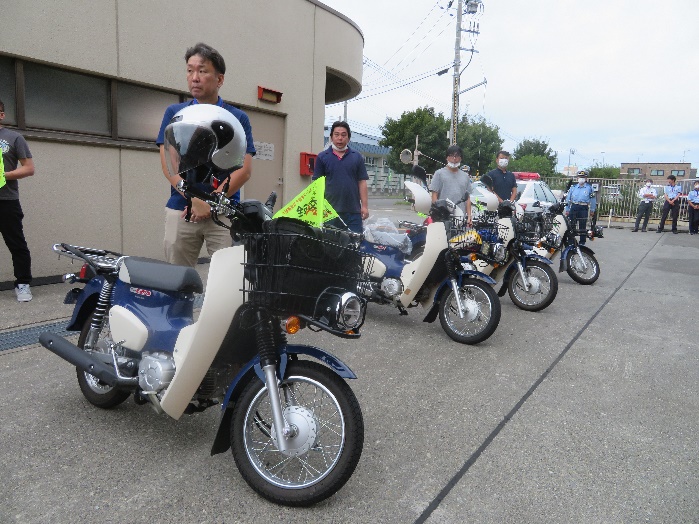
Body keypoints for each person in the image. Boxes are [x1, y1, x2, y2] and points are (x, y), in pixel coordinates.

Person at [156, 42, 256, 267]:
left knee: (227, 280)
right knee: (177, 279)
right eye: (190, 70)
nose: (194, 77)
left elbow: (245, 169)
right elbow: (169, 164)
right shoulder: (174, 113)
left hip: (223, 211)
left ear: (219, 79)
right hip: (181, 207)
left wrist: (210, 203)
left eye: (202, 71)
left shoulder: (237, 117)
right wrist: (193, 199)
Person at [0, 99, 35, 302]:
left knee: (16, 244)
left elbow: (29, 168)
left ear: (2, 115)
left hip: (7, 200)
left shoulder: (14, 138)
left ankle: (23, 284)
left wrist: (4, 175)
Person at [313, 121, 369, 234]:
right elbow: (317, 185)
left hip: (353, 211)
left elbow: (362, 182)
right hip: (329, 212)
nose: (340, 138)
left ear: (348, 138)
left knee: (354, 245)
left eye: (343, 135)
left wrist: (365, 206)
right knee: (331, 245)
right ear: (331, 137)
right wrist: (317, 208)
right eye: (336, 134)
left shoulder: (357, 157)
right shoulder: (322, 157)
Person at [428, 145, 472, 224]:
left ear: (461, 158)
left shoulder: (465, 176)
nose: (454, 159)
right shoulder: (439, 174)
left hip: (460, 217)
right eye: (451, 156)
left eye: (457, 156)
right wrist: (437, 213)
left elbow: (468, 198)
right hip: (444, 218)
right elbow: (434, 196)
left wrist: (469, 216)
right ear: (446, 158)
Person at [565, 170, 597, 245]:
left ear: (586, 178)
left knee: (582, 225)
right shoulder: (573, 188)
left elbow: (593, 199)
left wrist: (592, 210)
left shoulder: (589, 188)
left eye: (583, 177)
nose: (581, 179)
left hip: (583, 207)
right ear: (577, 178)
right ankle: (571, 242)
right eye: (580, 177)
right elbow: (568, 199)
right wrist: (567, 209)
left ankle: (582, 242)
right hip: (574, 206)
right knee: (571, 225)